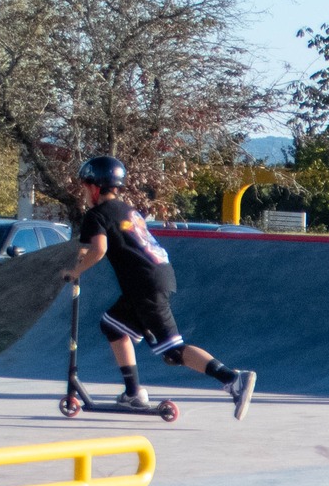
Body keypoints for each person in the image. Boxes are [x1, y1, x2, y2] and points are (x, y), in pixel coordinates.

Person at [62, 155, 259, 418]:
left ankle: (233, 378)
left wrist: (74, 271)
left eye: (86, 187)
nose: (85, 193)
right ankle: (133, 393)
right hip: (156, 277)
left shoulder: (97, 215)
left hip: (145, 285)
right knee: (112, 325)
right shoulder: (128, 211)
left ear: (95, 186)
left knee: (173, 351)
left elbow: (98, 250)